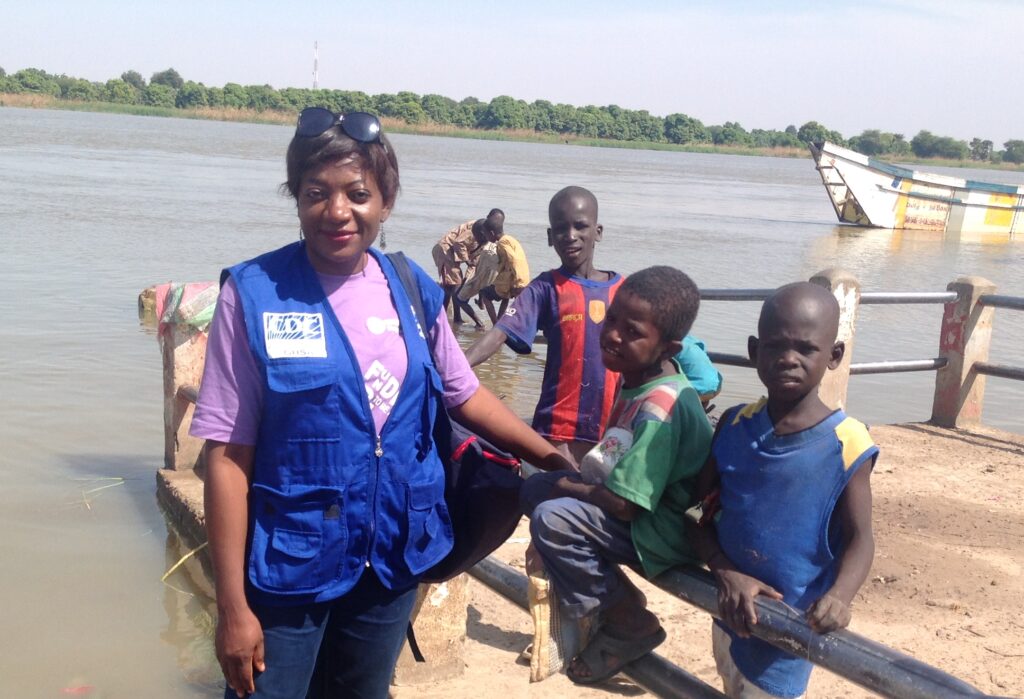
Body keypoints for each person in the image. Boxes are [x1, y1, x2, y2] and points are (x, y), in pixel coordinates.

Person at [190, 108, 573, 699]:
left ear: (386, 201)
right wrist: (233, 607)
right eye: (317, 192)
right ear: (295, 197)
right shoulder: (254, 294)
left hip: (393, 555)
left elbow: (463, 393)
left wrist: (550, 457)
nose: (337, 211)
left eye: (357, 194)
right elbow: (227, 454)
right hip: (289, 563)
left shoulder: (411, 286)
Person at [519, 266, 713, 684]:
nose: (613, 335)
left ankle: (627, 618)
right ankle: (587, 592)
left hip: (663, 527)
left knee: (552, 517)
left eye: (633, 331)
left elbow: (625, 506)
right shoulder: (635, 382)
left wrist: (568, 485)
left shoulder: (661, 406)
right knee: (534, 487)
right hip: (639, 510)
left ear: (668, 346)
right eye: (611, 321)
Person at [687, 282, 878, 699]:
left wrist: (840, 597)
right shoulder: (735, 424)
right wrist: (723, 569)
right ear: (755, 350)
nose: (788, 359)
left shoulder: (848, 444)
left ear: (834, 356)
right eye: (774, 346)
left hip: (789, 628)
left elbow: (861, 539)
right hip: (728, 611)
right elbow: (695, 514)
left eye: (806, 348)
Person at [465, 186, 623, 467]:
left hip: (612, 433)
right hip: (555, 433)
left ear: (597, 231)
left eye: (580, 226)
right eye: (561, 229)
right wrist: (454, 368)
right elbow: (500, 333)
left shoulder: (624, 292)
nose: (571, 236)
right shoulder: (545, 288)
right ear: (551, 237)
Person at [432, 210, 502, 326]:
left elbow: (476, 261)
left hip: (455, 254)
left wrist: (476, 288)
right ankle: (445, 318)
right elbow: (459, 243)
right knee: (453, 285)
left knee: (455, 285)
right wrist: (466, 260)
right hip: (445, 250)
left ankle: (453, 317)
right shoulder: (479, 227)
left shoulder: (488, 236)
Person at [478, 209, 531, 324]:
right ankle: (501, 322)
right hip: (519, 278)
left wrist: (518, 282)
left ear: (491, 233)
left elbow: (514, 260)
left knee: (485, 294)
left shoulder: (502, 243)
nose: (486, 238)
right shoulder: (510, 239)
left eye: (486, 235)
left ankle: (496, 325)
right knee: (507, 298)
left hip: (516, 280)